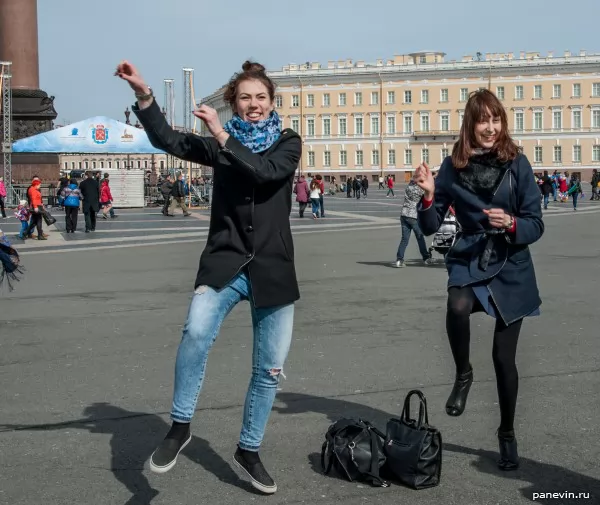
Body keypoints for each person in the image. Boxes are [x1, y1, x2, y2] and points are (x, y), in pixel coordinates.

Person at [116, 59, 302, 494]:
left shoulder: (288, 142)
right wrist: (144, 95)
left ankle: (249, 448)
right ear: (234, 104)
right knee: (196, 330)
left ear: (272, 103)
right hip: (226, 261)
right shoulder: (220, 145)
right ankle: (180, 427)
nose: (253, 105)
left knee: (269, 369)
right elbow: (169, 140)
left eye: (260, 98)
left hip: (273, 267)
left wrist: (222, 134)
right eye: (245, 98)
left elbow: (266, 171)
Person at [414, 89, 544, 471]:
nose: (490, 128)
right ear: (470, 124)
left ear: (502, 122)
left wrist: (513, 223)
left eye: (496, 119)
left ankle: (506, 433)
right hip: (471, 255)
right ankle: (463, 373)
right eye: (482, 120)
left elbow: (535, 222)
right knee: (456, 304)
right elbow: (430, 225)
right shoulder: (452, 166)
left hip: (511, 262)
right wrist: (427, 197)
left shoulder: (516, 163)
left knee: (504, 359)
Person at [395, 179, 433, 267]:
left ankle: (399, 260)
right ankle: (426, 258)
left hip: (404, 214)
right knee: (420, 237)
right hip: (414, 216)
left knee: (404, 239)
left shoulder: (409, 186)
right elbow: (427, 196)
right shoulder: (419, 190)